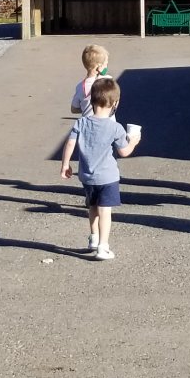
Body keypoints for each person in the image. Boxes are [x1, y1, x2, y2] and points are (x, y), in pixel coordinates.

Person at [58, 77, 141, 260]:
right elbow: (124, 151)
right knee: (105, 211)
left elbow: (70, 144)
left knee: (93, 207)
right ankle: (103, 247)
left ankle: (93, 238)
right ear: (115, 103)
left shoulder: (81, 123)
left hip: (87, 176)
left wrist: (65, 164)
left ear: (92, 100)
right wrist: (133, 142)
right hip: (108, 177)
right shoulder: (115, 128)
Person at [71, 44, 109, 115]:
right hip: (108, 124)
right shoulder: (108, 81)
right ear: (99, 67)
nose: (107, 66)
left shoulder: (80, 87)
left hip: (88, 124)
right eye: (106, 64)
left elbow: (73, 109)